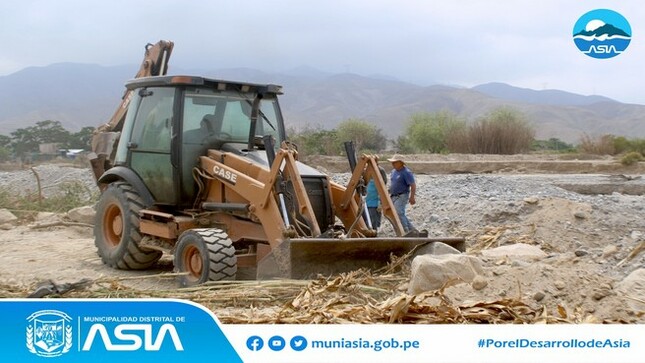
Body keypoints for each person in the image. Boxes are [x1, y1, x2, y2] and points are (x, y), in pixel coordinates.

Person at [387, 154, 417, 234]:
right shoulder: (393, 172)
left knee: (399, 212)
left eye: (395, 162)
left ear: (400, 163)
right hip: (393, 195)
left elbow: (413, 185)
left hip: (402, 195)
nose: (393, 164)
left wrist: (412, 197)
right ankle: (412, 230)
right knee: (397, 213)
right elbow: (393, 183)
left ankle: (405, 230)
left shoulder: (406, 172)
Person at [365, 166, 387, 231]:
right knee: (367, 220)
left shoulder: (378, 183)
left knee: (373, 222)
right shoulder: (367, 179)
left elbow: (382, 192)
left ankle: (373, 235)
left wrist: (380, 203)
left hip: (374, 204)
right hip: (366, 203)